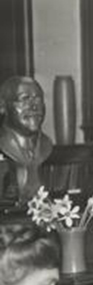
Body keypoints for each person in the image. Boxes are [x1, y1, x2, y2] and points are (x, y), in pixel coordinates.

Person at [0, 76, 53, 205]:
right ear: (3, 106)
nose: (34, 107)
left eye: (38, 98)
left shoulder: (47, 146)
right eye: (24, 99)